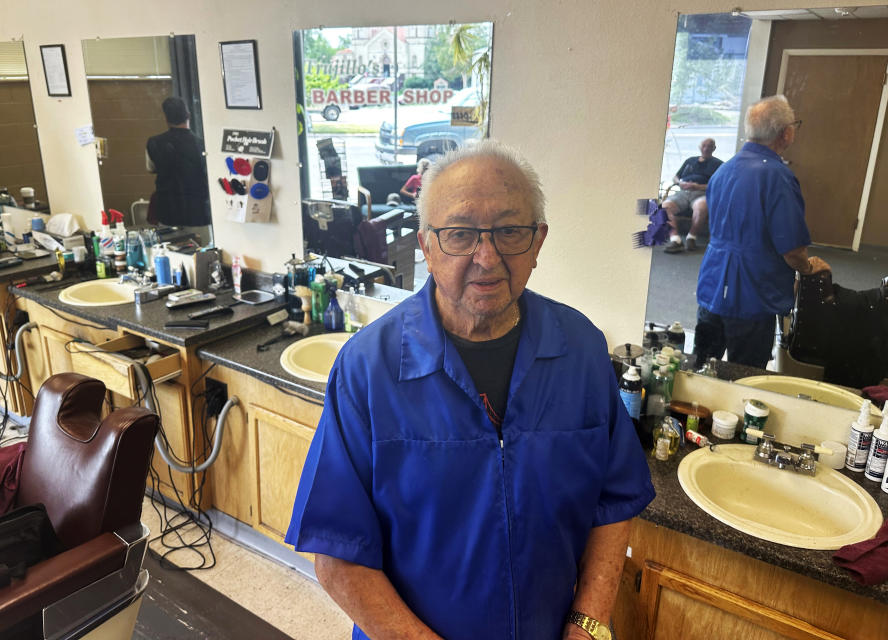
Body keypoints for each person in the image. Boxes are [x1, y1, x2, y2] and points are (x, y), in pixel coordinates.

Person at [286, 142, 655, 640]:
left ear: (538, 241)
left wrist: (587, 625)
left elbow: (612, 504)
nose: (487, 257)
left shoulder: (582, 351)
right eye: (460, 234)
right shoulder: (368, 368)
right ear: (426, 245)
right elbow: (337, 554)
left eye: (509, 231)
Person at [695, 95, 831, 370]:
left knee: (699, 369)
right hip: (751, 294)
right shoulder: (777, 177)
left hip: (712, 284)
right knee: (746, 377)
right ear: (786, 133)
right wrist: (808, 268)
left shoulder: (724, 170)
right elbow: (792, 250)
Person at [145, 96, 212, 244]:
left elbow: (151, 168)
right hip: (198, 213)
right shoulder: (202, 144)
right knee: (204, 258)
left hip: (168, 213)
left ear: (166, 118)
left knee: (171, 258)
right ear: (188, 115)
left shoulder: (154, 143)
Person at [662, 138, 722, 253]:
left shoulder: (719, 164)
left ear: (714, 148)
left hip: (702, 193)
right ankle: (676, 240)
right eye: (704, 145)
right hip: (683, 192)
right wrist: (680, 183)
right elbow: (675, 177)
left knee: (701, 206)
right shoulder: (690, 160)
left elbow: (719, 185)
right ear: (700, 146)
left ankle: (691, 238)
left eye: (709, 146)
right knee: (664, 207)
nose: (706, 149)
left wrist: (698, 186)